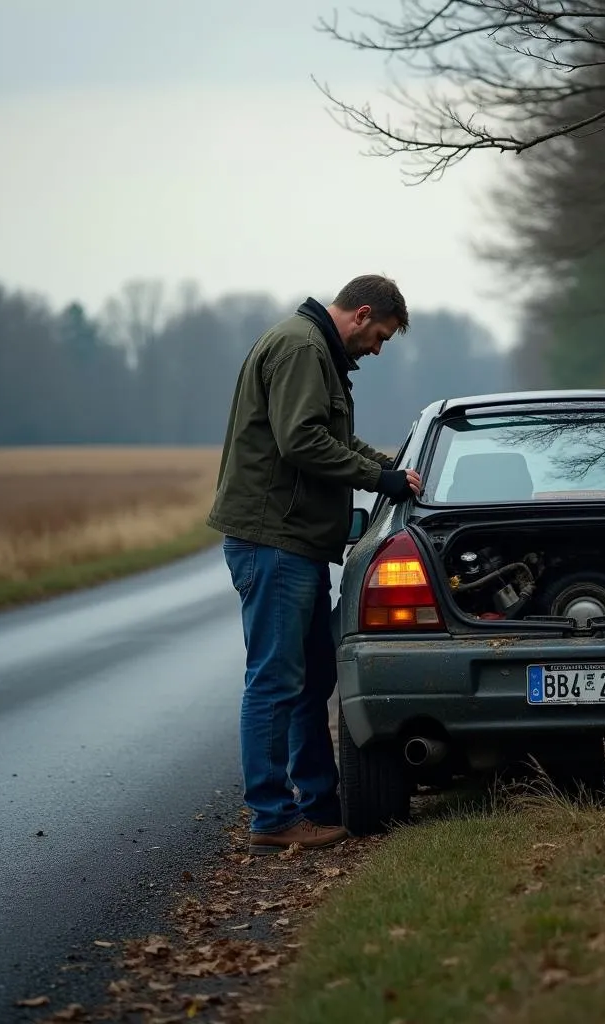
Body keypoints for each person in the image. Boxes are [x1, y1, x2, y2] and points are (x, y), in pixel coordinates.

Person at [206, 275, 422, 855]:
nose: (376, 349)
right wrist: (378, 479)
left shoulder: (314, 349)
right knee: (276, 681)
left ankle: (320, 806)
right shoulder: (303, 348)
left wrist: (393, 467)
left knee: (312, 679)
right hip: (274, 542)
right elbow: (301, 441)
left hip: (291, 543)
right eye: (378, 337)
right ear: (361, 314)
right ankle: (273, 818)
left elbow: (333, 439)